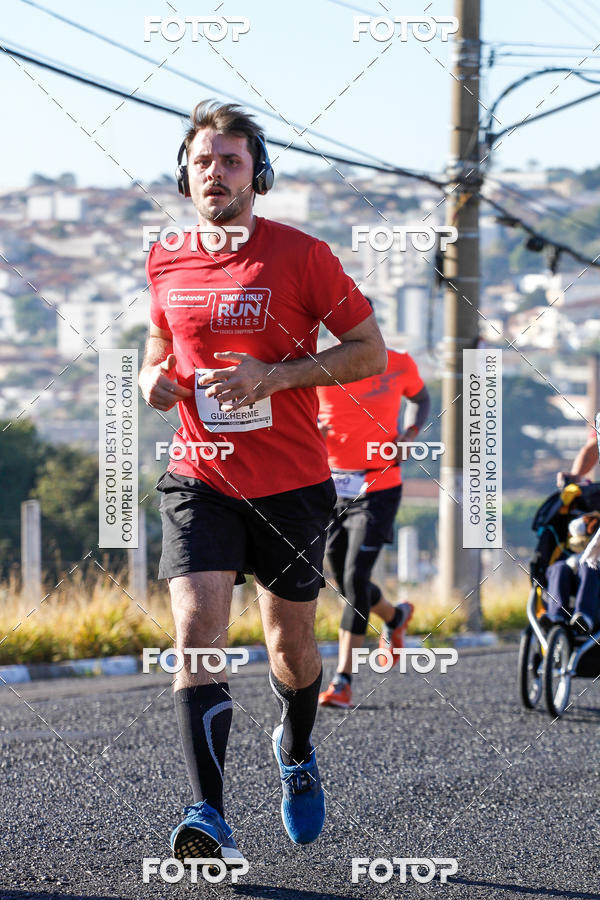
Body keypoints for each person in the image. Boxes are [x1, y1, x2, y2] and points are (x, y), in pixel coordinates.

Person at [138, 100, 387, 869]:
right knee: (194, 634)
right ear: (187, 175)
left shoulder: (303, 256)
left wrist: (274, 377)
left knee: (291, 647)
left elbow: (368, 352)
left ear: (259, 174)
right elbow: (158, 341)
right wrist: (152, 377)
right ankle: (208, 815)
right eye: (205, 161)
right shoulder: (166, 257)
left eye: (233, 160)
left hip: (291, 485)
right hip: (199, 477)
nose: (217, 172)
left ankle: (298, 745)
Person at [316, 312, 430, 709]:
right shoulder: (318, 367)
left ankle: (343, 679)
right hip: (330, 487)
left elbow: (421, 397)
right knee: (344, 583)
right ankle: (395, 617)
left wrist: (410, 433)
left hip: (379, 485)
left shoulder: (398, 363)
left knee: (355, 575)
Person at [542, 511, 600, 634]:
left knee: (589, 565)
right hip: (569, 580)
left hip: (593, 582)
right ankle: (555, 615)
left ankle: (584, 617)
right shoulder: (564, 548)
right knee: (559, 567)